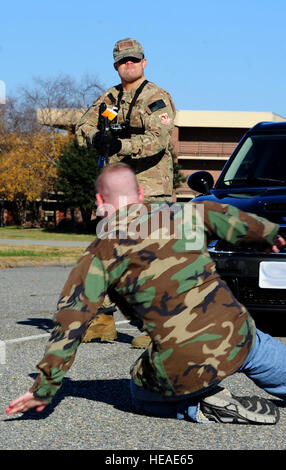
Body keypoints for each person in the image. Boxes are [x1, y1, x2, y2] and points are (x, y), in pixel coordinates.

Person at [6, 163, 286, 424]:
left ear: (99, 201)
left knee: (139, 392)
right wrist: (269, 234)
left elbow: (70, 324)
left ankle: (199, 407)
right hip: (239, 337)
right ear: (141, 195)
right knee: (272, 357)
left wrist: (44, 389)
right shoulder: (185, 214)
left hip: (184, 361)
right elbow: (229, 216)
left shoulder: (99, 254)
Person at [75, 38, 176, 348]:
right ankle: (103, 321)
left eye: (133, 60)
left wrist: (121, 145)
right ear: (116, 65)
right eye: (122, 61)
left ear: (144, 62)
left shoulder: (156, 98)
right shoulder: (109, 98)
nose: (128, 64)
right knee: (104, 255)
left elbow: (159, 139)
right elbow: (82, 127)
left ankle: (156, 327)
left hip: (151, 190)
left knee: (149, 259)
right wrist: (98, 139)